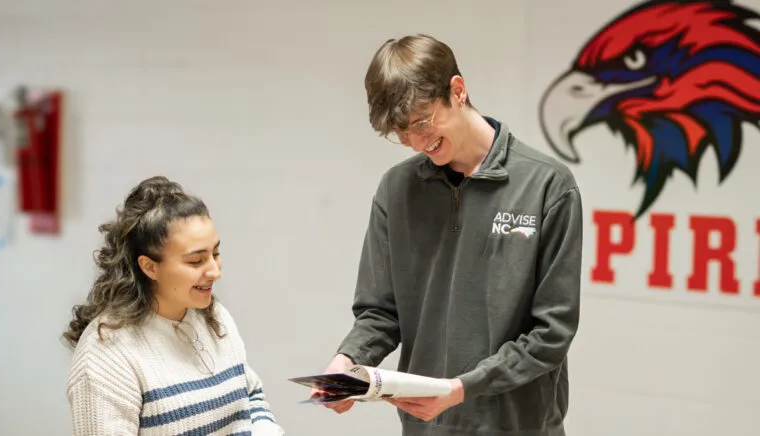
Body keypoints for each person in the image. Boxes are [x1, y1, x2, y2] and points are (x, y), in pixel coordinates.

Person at [315, 34, 583, 435]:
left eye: (421, 123)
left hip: (518, 426)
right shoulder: (397, 189)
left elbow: (552, 332)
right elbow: (380, 312)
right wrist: (347, 360)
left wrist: (463, 389)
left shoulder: (547, 186)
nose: (415, 142)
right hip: (427, 426)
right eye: (400, 132)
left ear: (457, 91)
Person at [62, 176, 284, 435]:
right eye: (196, 261)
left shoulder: (215, 317)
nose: (214, 271)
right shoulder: (107, 354)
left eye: (215, 254)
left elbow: (251, 394)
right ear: (150, 267)